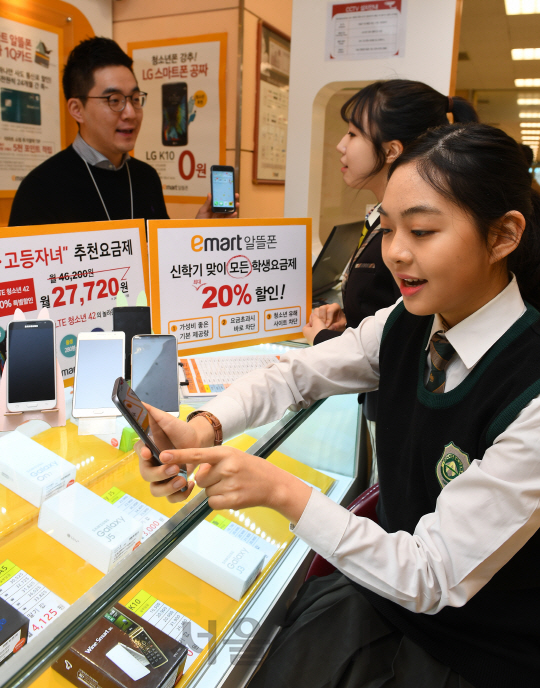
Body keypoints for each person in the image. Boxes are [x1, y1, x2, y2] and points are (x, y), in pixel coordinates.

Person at [137, 123, 540, 688]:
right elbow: (299, 374)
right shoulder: (407, 323)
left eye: (422, 231)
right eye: (388, 225)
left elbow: (433, 573)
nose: (396, 253)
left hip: (478, 651)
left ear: (502, 237)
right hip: (383, 602)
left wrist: (279, 489)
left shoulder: (530, 392)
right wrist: (205, 423)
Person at [303, 80, 478, 348]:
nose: (341, 145)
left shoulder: (412, 236)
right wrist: (352, 322)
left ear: (391, 150)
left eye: (352, 134)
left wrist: (325, 340)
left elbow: (412, 339)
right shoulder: (380, 216)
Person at [8, 37, 235, 226]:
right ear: (77, 109)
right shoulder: (39, 188)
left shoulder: (146, 177)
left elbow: (159, 258)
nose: (130, 113)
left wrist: (201, 227)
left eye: (135, 99)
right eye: (114, 100)